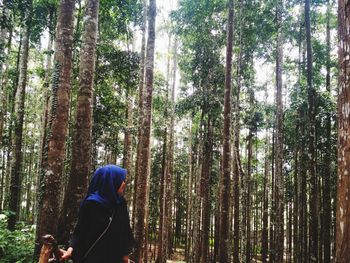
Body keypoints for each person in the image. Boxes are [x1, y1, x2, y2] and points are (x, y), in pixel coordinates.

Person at [60, 164, 135, 263]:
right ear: (111, 181)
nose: (124, 183)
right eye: (121, 180)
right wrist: (71, 248)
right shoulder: (91, 204)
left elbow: (126, 231)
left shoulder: (120, 204)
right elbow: (80, 230)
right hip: (91, 257)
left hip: (114, 257)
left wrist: (125, 254)